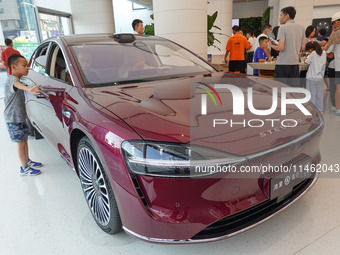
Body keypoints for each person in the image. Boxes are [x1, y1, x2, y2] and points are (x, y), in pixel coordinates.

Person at [4, 54, 42, 175]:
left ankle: (27, 160)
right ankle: (24, 168)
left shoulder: (16, 79)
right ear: (14, 67)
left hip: (20, 116)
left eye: (27, 65)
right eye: (24, 65)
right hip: (13, 119)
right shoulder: (13, 79)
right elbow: (17, 85)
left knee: (25, 140)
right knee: (20, 143)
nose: (27, 68)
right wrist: (29, 89)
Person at [270, 6, 305, 87]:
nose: (280, 18)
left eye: (281, 15)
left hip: (283, 64)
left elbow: (281, 47)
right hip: (295, 64)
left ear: (287, 16)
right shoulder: (302, 28)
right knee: (293, 90)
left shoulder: (283, 28)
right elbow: (302, 47)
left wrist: (272, 46)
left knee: (280, 90)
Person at [304, 41, 326, 113]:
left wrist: (306, 59)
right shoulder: (324, 53)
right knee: (319, 94)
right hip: (320, 77)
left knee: (311, 94)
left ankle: (312, 110)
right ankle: (320, 109)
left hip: (312, 77)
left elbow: (306, 62)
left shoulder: (313, 54)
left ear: (310, 49)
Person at [325, 12, 340, 116]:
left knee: (338, 87)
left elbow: (329, 50)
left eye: (334, 23)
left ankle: (337, 108)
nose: (333, 26)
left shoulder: (336, 34)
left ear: (337, 22)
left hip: (338, 65)